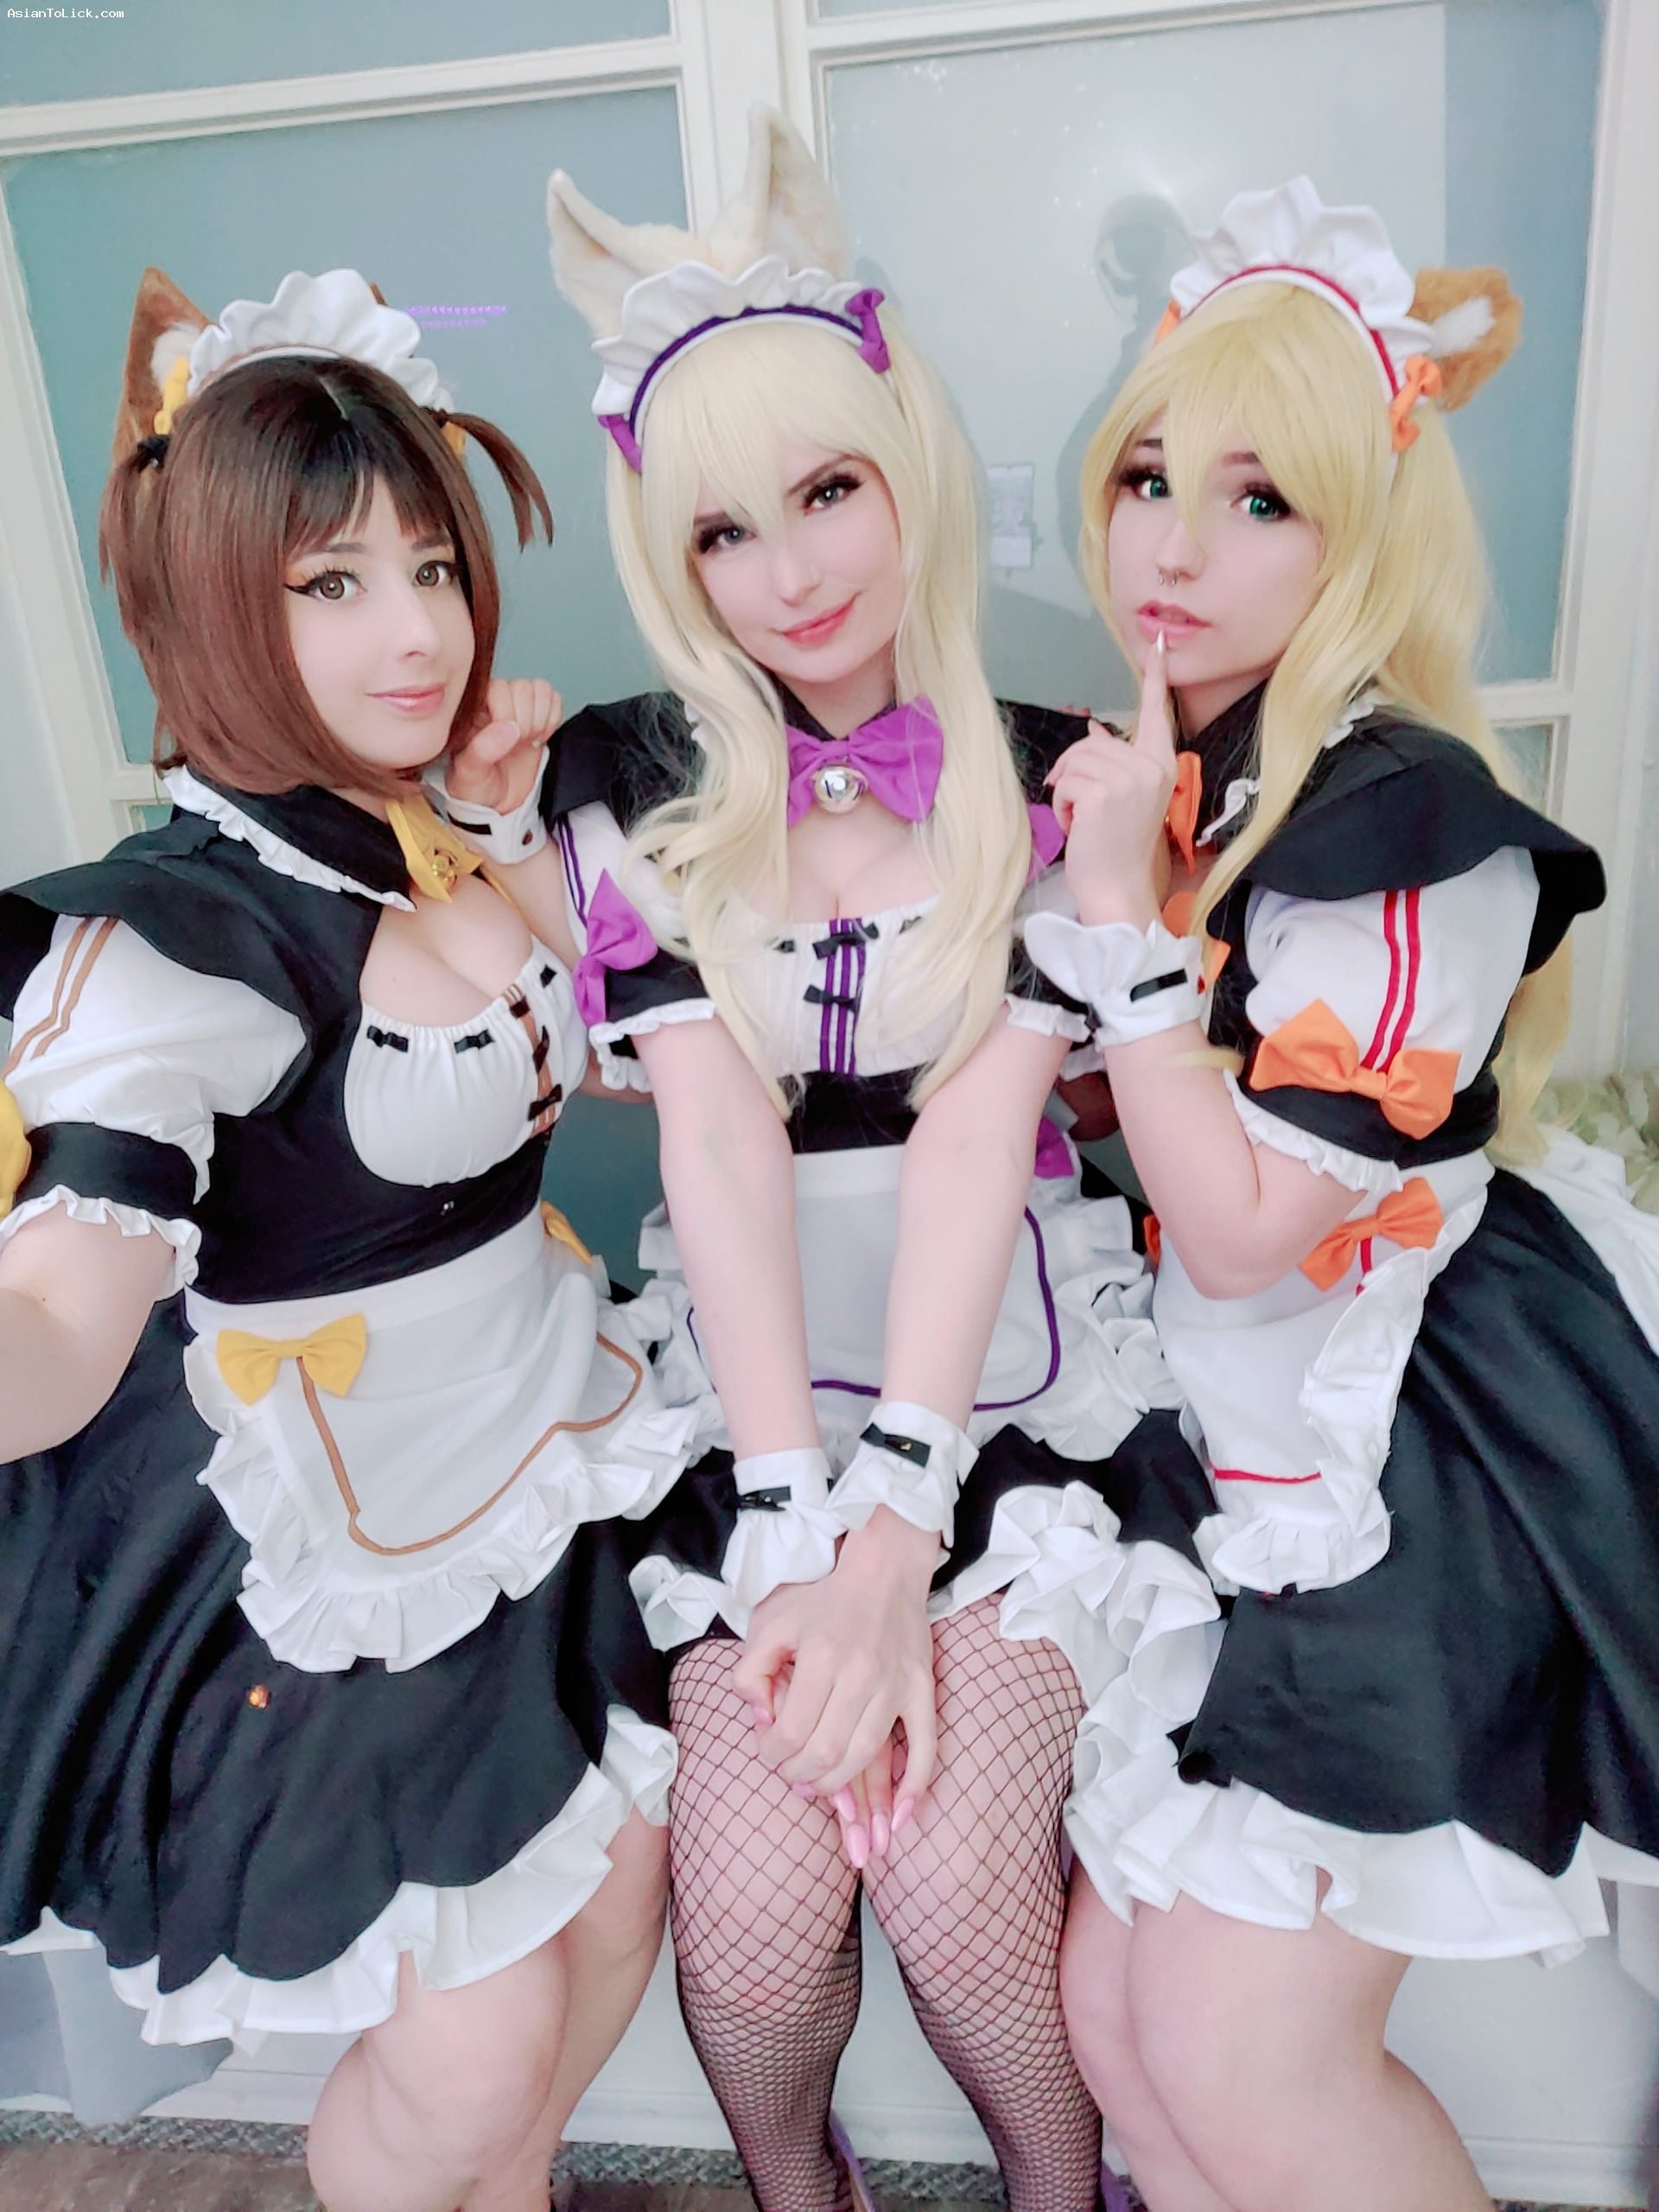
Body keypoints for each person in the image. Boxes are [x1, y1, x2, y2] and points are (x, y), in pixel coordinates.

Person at [429, 107, 1216, 2212]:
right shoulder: (623, 781)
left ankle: (1062, 2188)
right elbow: (709, 1132)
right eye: (723, 531)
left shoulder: (1050, 779)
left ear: (906, 461)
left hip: (1008, 1381)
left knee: (957, 1896)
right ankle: (804, 2190)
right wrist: (791, 1518)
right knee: (762, 1939)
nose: (791, 571)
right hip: (751, 1377)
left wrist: (895, 1535)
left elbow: (979, 1145)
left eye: (829, 489)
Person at [0, 266, 699, 2212]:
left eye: (432, 566)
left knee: (613, 1906)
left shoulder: (439, 827)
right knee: (468, 2044)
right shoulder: (170, 935)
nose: (415, 630)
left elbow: (625, 1056)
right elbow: (63, 1298)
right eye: (332, 583)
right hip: (347, 1513)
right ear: (215, 606)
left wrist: (515, 834)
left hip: (558, 1419)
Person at [1023, 178, 1659, 2212]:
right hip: (1236, 1428)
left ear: (1362, 533)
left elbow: (1238, 1226)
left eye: (1259, 499)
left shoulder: (1412, 838)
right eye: (1147, 477)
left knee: (1237, 2047)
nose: (1172, 544)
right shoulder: (1194, 772)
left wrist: (1118, 928)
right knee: (1123, 2021)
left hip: (1402, 1458)